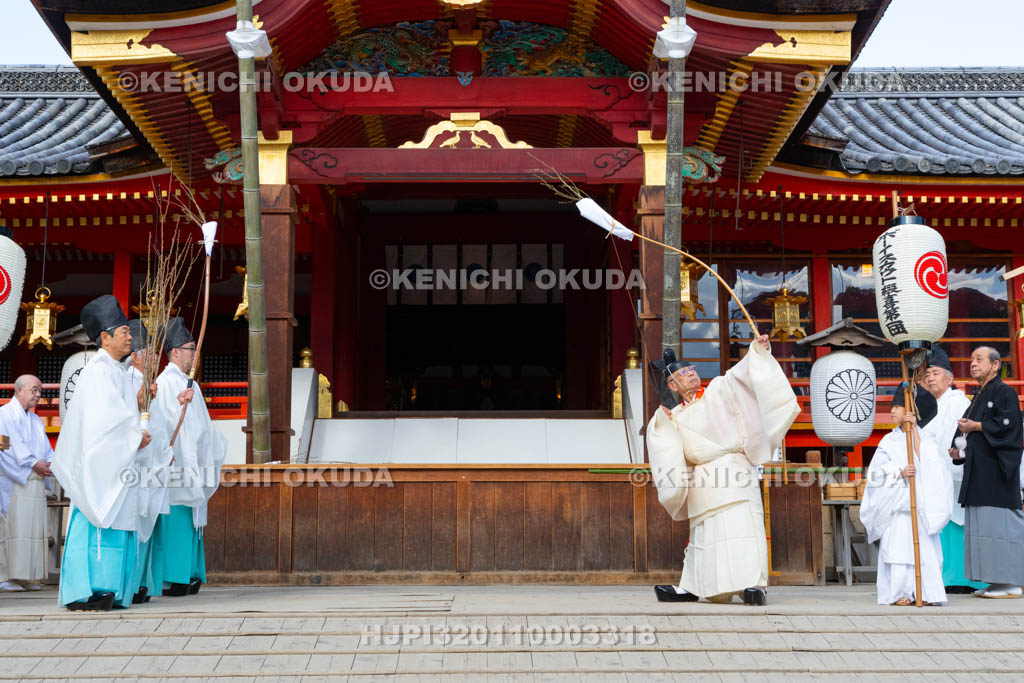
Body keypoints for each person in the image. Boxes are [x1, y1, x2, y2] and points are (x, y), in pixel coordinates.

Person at [646, 334, 799, 605]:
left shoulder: (718, 390)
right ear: (672, 384)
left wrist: (758, 351)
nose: (692, 374)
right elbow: (668, 449)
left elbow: (741, 376)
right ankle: (695, 585)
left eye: (692, 370)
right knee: (705, 534)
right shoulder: (676, 417)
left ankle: (753, 585)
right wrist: (663, 424)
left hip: (733, 470)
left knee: (744, 530)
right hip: (703, 479)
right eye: (684, 373)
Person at [51, 295, 151, 611]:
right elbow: (103, 421)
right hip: (98, 467)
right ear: (104, 337)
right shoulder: (97, 371)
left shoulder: (118, 371)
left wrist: (137, 419)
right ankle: (84, 591)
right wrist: (134, 433)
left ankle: (111, 587)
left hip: (115, 463)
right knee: (96, 520)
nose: (129, 335)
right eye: (122, 330)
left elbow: (120, 414)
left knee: (117, 524)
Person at [151, 317, 226, 597]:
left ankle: (191, 574)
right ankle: (174, 576)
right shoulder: (166, 380)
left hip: (193, 461)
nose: (195, 353)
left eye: (195, 348)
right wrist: (177, 404)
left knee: (192, 514)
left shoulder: (185, 381)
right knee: (178, 514)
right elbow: (161, 419)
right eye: (190, 348)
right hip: (178, 463)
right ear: (175, 352)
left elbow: (201, 425)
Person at [861, 389, 952, 606]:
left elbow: (934, 468)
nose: (892, 411)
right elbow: (875, 474)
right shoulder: (888, 441)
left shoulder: (927, 438)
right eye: (892, 406)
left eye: (898, 406)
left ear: (911, 411)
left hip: (920, 510)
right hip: (897, 510)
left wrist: (915, 435)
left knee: (925, 554)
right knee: (898, 553)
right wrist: (898, 472)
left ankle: (927, 594)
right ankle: (899, 593)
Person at [948, 346, 1024, 599]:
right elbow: (967, 432)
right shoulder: (979, 395)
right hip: (979, 473)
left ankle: (1011, 583)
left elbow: (1010, 426)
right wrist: (959, 451)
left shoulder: (1004, 393)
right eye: (971, 359)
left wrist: (977, 426)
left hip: (997, 474)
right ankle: (994, 581)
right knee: (982, 528)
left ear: (995, 365)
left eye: (979, 359)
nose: (972, 363)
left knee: (1000, 528)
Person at [917, 347, 983, 594]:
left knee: (957, 525)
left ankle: (965, 579)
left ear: (950, 378)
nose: (930, 378)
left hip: (954, 473)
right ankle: (945, 577)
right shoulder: (930, 405)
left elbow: (954, 440)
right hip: (935, 475)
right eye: (926, 374)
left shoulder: (958, 403)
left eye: (935, 373)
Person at [126, 319, 172, 603]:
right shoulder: (128, 380)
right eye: (150, 353)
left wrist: (166, 451)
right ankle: (131, 584)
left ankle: (143, 584)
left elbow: (160, 425)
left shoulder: (148, 382)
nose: (156, 357)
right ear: (135, 355)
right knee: (135, 525)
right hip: (136, 466)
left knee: (149, 524)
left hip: (153, 465)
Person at [0, 375, 53, 592]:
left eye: (39, 390)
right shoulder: (3, 415)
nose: (38, 394)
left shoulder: (34, 420)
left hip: (35, 480)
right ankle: (5, 576)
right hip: (14, 478)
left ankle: (27, 575)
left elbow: (46, 449)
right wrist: (32, 463)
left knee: (32, 528)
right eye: (34, 390)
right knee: (11, 528)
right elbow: (4, 447)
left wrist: (50, 464)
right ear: (19, 390)